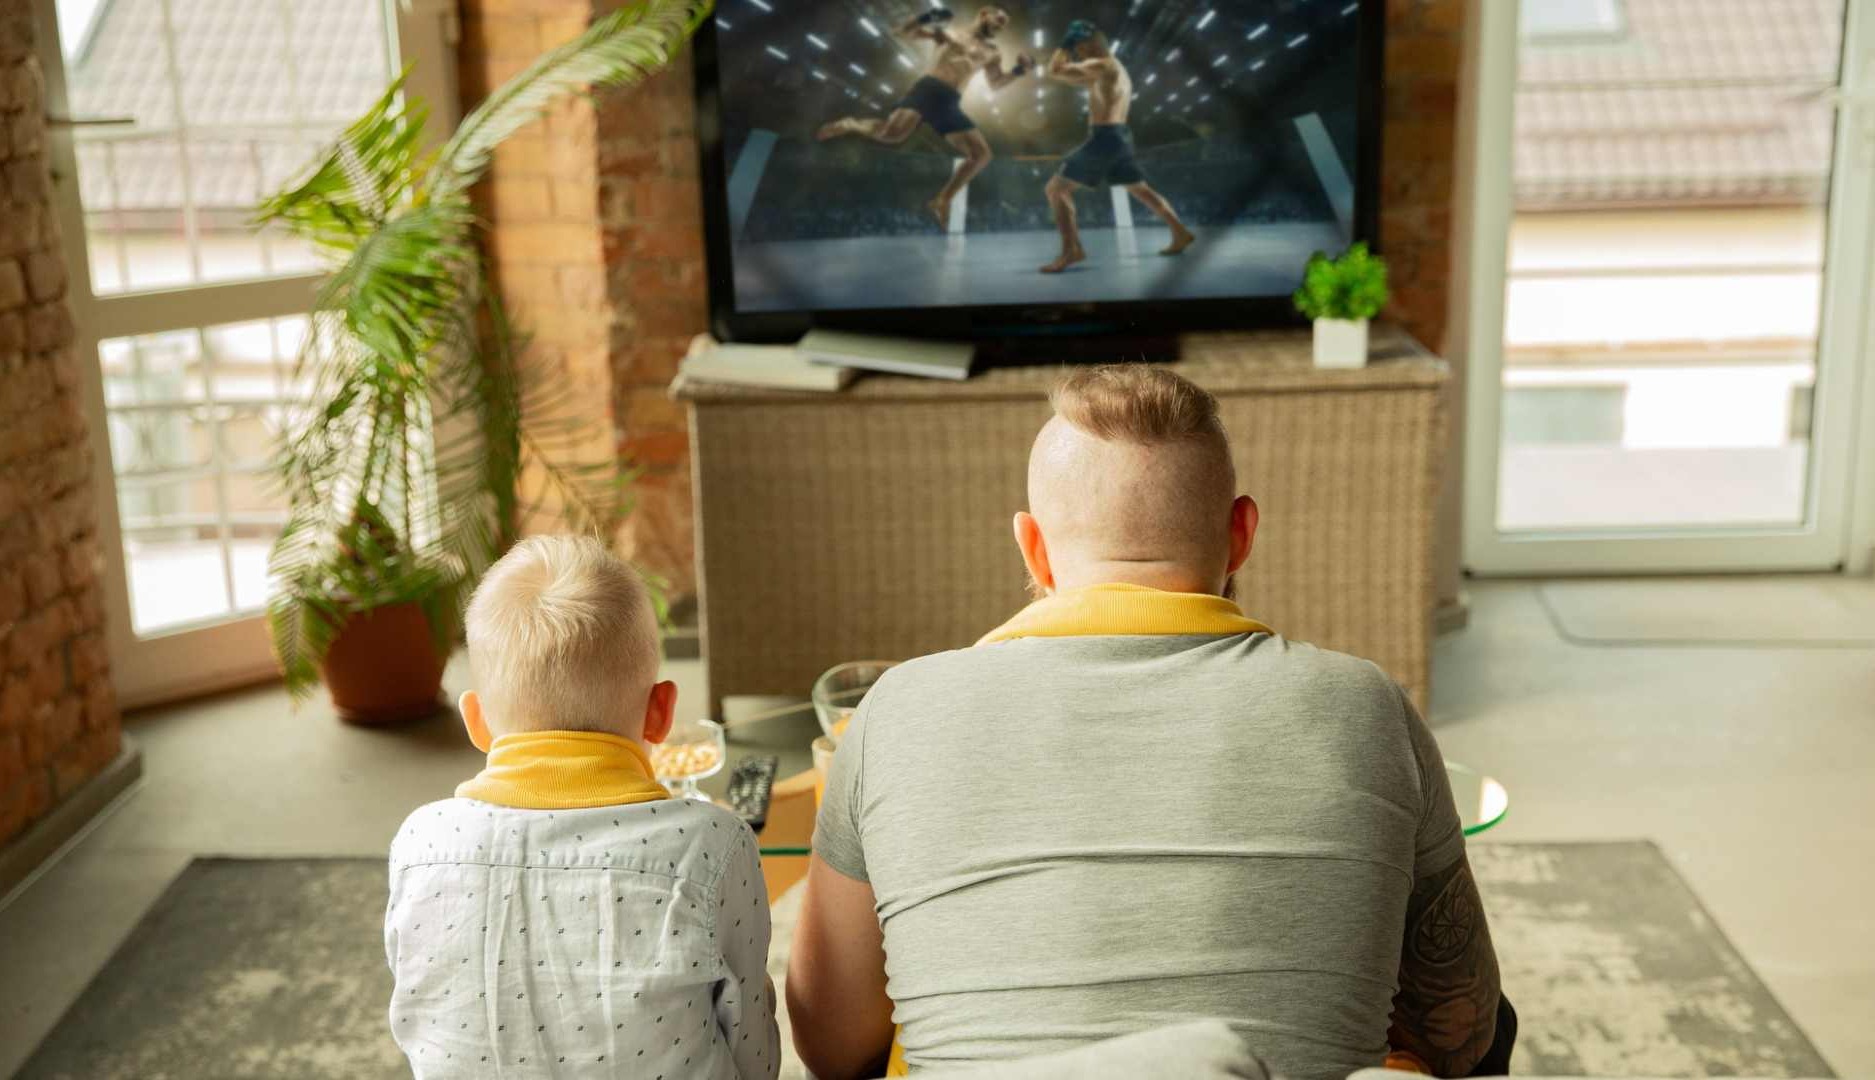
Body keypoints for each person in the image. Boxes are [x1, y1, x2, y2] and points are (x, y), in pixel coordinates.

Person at [786, 366, 1509, 1080]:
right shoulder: (1366, 703)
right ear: (1242, 533)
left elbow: (830, 1046)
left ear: (1031, 546)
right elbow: (1461, 1033)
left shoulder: (896, 709)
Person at [385, 535, 779, 1079]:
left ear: (475, 721)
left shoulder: (421, 841)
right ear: (661, 712)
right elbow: (751, 1045)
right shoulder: (714, 844)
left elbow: (419, 1015)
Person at [817, 6, 1033, 226]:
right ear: (984, 13)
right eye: (999, 19)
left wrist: (1019, 71)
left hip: (950, 102)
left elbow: (996, 83)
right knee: (892, 135)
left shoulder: (993, 52)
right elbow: (903, 33)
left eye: (1003, 25)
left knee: (981, 155)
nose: (1000, 26)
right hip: (928, 89)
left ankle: (942, 200)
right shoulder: (952, 32)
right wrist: (924, 18)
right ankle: (851, 123)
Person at [1040, 20, 1196, 273]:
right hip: (1120, 136)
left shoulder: (1101, 64)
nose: (1077, 54)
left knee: (1056, 189)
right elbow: (1069, 78)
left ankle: (1072, 250)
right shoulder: (1113, 69)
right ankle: (1180, 232)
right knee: (1141, 190)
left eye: (1078, 48)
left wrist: (1063, 44)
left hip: (1106, 137)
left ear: (1089, 45)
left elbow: (1055, 71)